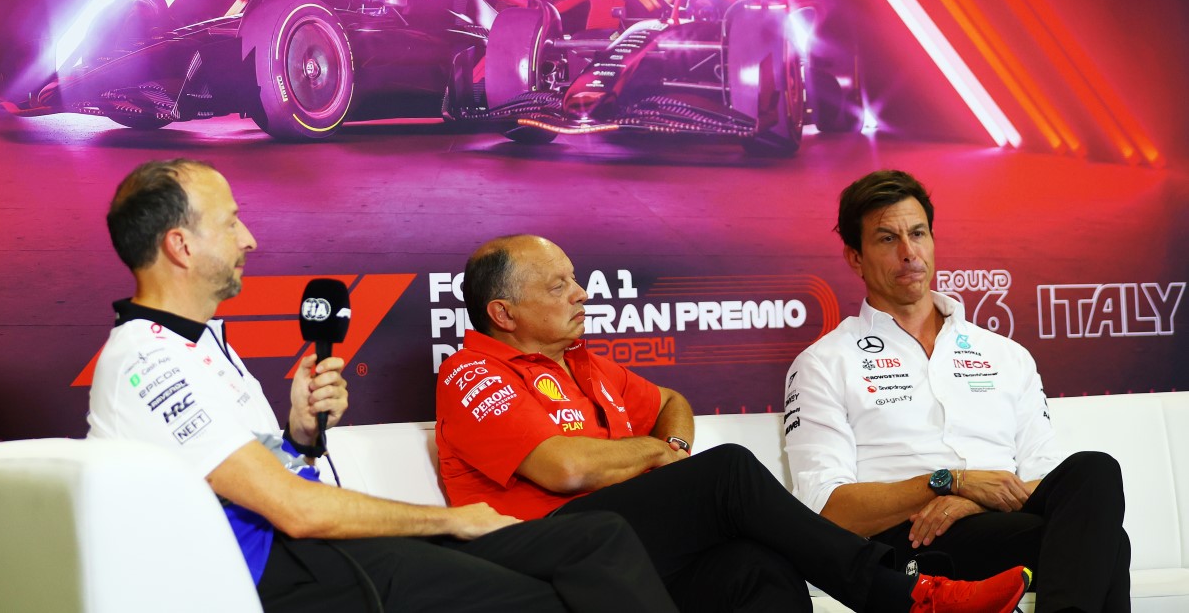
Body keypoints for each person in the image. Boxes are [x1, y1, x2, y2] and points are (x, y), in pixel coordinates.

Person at [86, 158, 679, 613]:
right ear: (181, 246)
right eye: (231, 221)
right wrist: (449, 519)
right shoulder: (148, 361)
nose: (249, 239)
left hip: (304, 552)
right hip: (273, 573)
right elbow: (295, 510)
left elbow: (260, 479)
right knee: (546, 596)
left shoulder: (200, 342)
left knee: (594, 539)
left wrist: (298, 437)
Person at [436, 232, 1035, 613]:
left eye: (576, 278)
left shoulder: (586, 363)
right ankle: (906, 595)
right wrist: (656, 456)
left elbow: (672, 401)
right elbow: (564, 467)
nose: (582, 293)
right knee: (724, 472)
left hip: (620, 546)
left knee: (756, 565)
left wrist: (669, 443)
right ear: (503, 313)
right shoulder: (470, 374)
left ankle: (908, 595)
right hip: (542, 551)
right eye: (559, 284)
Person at [784, 169, 1130, 613]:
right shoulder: (823, 363)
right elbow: (827, 510)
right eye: (888, 239)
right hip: (911, 542)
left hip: (1003, 522)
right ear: (855, 257)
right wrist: (948, 484)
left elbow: (1044, 475)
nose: (909, 253)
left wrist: (970, 501)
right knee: (1107, 542)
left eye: (918, 233)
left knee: (1095, 471)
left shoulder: (1006, 354)